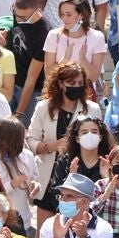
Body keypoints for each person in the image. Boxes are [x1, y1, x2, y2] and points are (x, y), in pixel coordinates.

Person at [27, 62, 103, 227]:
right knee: (44, 235)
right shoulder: (43, 107)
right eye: (71, 83)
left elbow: (100, 140)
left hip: (80, 179)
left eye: (80, 84)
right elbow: (31, 140)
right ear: (60, 84)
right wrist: (51, 146)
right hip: (48, 179)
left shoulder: (93, 109)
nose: (76, 87)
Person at [37, 114, 112, 221]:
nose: (90, 135)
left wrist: (106, 177)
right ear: (77, 138)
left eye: (94, 132)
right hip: (70, 220)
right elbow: (56, 196)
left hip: (101, 221)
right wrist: (70, 178)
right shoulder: (65, 161)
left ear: (100, 137)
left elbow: (116, 198)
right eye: (85, 132)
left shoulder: (109, 161)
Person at [0, 116, 41, 235]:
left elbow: (35, 179)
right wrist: (11, 184)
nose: (19, 145)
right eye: (15, 141)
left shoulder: (27, 156)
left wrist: (35, 186)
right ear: (1, 140)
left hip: (24, 223)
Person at [44, 0, 108, 96]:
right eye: (62, 14)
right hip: (58, 95)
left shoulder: (97, 37)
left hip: (85, 96)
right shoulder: (53, 35)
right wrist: (63, 61)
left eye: (69, 14)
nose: (64, 19)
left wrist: (83, 60)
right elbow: (48, 74)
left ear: (81, 15)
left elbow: (93, 77)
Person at [9, 0, 50, 121]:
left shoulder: (44, 33)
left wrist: (20, 112)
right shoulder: (19, 15)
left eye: (23, 17)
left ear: (36, 9)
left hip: (30, 90)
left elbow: (32, 78)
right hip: (12, 81)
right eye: (15, 14)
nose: (18, 20)